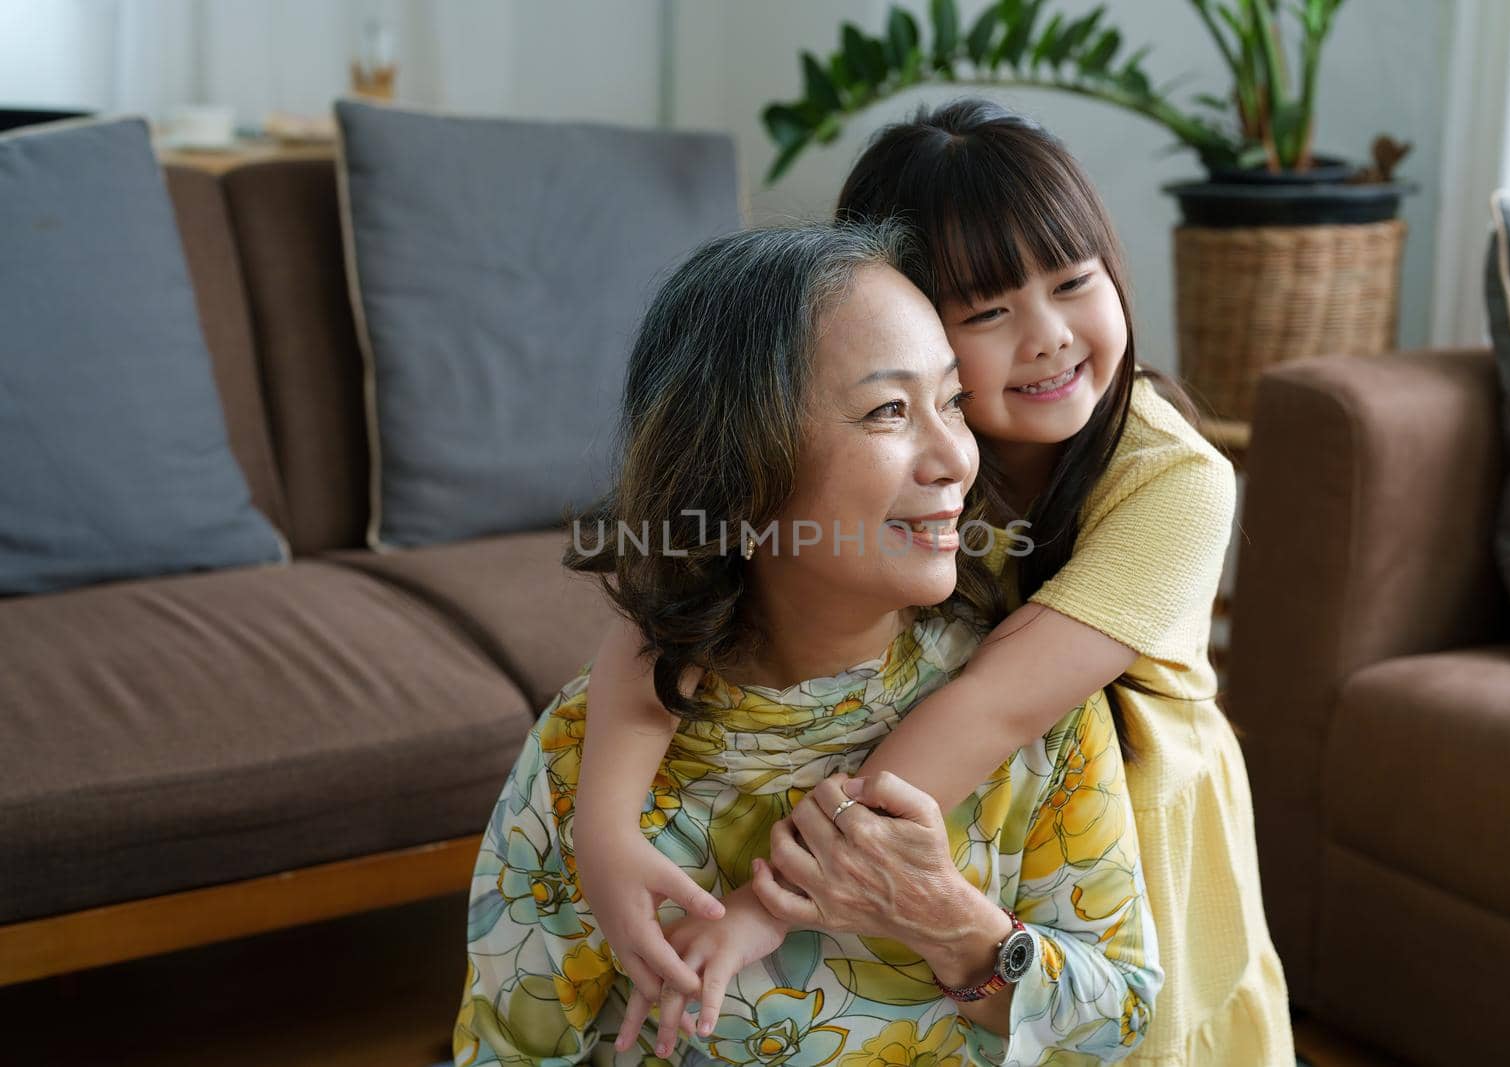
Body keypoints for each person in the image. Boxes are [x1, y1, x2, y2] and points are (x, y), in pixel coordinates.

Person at [573, 100, 1294, 1066]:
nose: (1047, 337)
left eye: (1075, 282)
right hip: (928, 805)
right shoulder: (889, 450)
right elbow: (679, 589)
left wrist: (758, 906)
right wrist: (601, 823)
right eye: (988, 311)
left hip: (1116, 817)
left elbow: (996, 705)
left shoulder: (1177, 481)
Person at [454, 221, 1160, 1066]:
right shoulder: (591, 753)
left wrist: (953, 926)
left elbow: (1123, 1030)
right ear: (740, 470)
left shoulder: (1038, 713)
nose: (954, 459)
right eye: (889, 410)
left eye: (952, 402)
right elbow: (509, 1048)